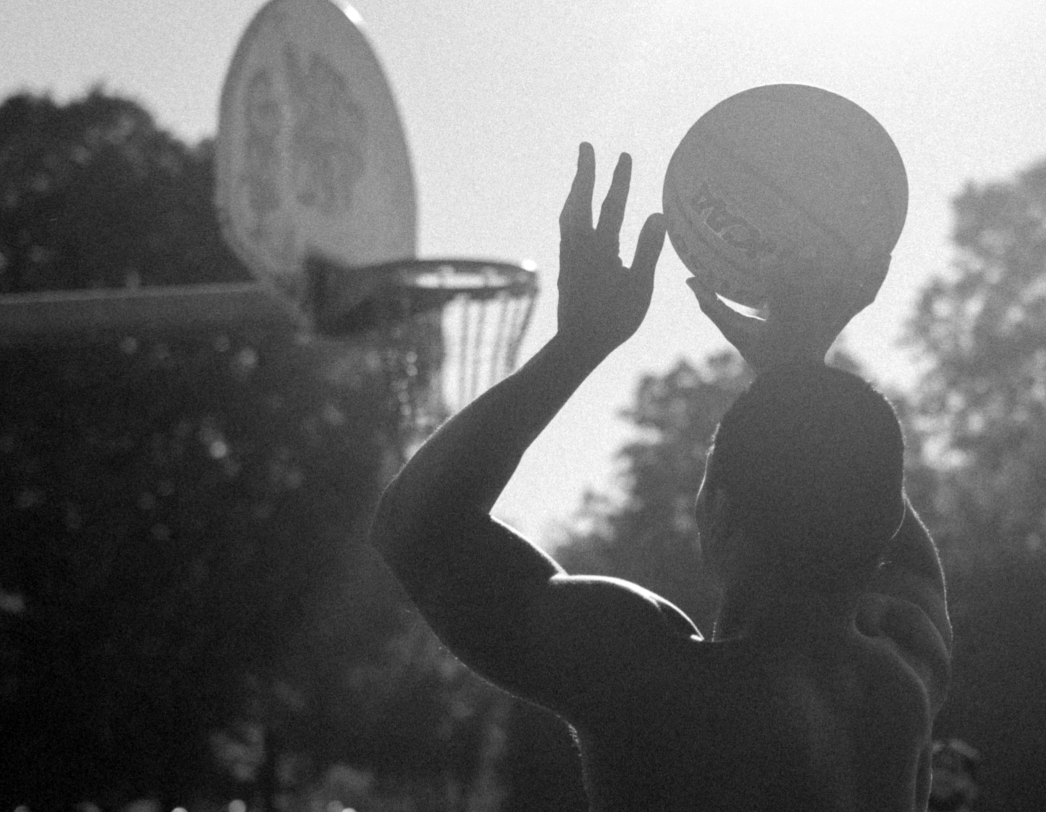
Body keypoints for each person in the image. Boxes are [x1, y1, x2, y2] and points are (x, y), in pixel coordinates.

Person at [371, 144, 952, 810]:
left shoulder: (658, 682)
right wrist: (799, 368)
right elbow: (892, 534)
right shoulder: (900, 688)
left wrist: (579, 343)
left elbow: (415, 528)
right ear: (880, 529)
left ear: (718, 513)